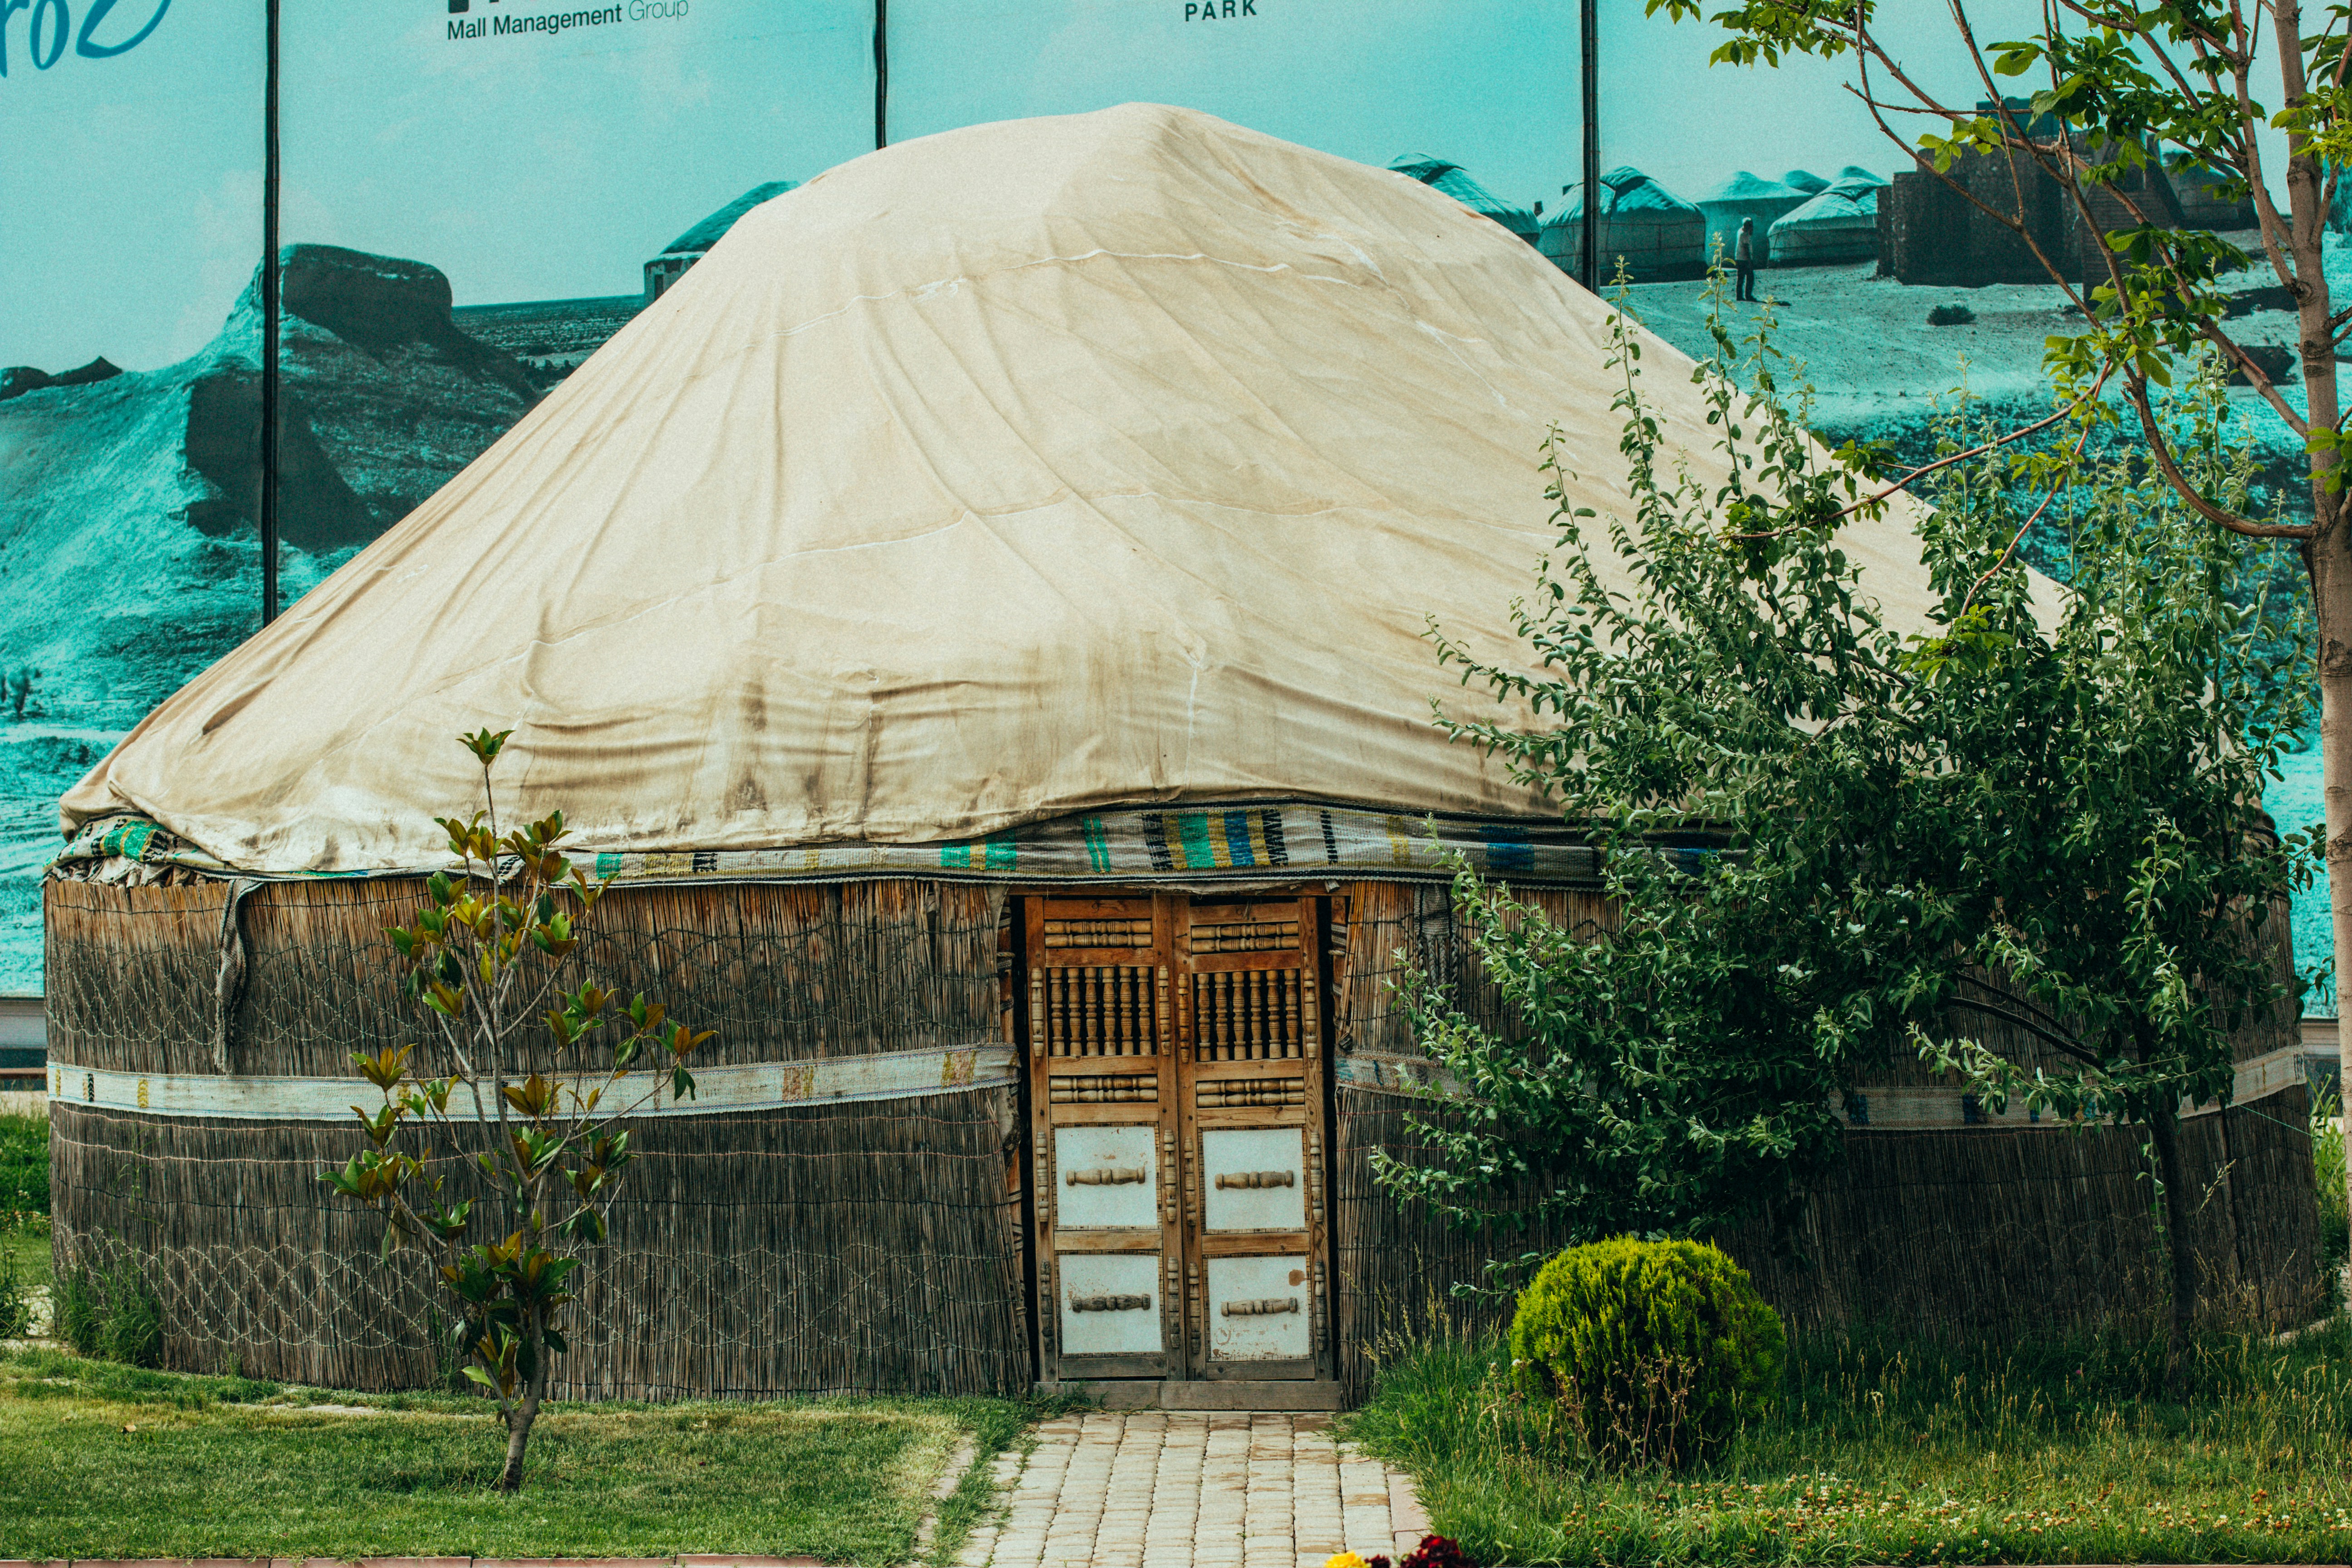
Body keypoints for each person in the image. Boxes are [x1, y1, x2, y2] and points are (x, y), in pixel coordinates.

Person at [1734, 218, 1758, 302]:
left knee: (1741, 277)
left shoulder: (1740, 231)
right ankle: (1748, 296)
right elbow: (1746, 248)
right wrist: (1750, 261)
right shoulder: (1745, 235)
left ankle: (1739, 296)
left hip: (1739, 257)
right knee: (1750, 277)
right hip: (1744, 259)